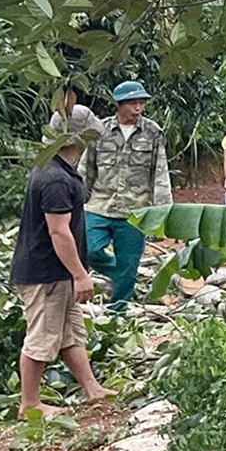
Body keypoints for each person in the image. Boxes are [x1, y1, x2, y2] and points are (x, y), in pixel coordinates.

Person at [13, 104, 115, 418]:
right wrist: (81, 274)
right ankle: (29, 404)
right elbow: (59, 233)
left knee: (70, 333)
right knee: (42, 338)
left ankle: (91, 387)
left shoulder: (56, 169)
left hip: (58, 272)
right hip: (46, 273)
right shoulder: (55, 179)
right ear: (78, 137)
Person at [82, 80, 172, 311]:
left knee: (130, 263)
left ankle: (118, 313)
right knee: (89, 249)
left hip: (135, 210)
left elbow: (159, 172)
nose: (138, 107)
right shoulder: (99, 131)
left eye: (141, 103)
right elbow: (86, 168)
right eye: (133, 103)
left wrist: (163, 212)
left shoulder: (152, 132)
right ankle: (119, 274)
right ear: (119, 104)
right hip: (100, 206)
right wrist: (74, 199)